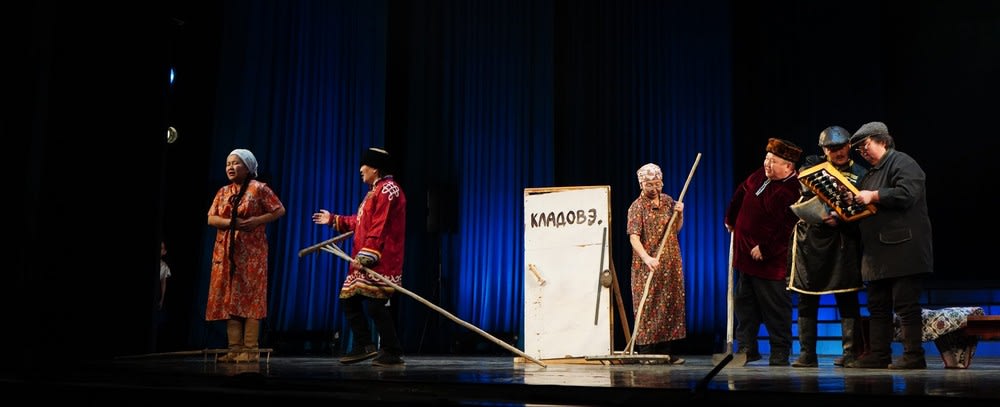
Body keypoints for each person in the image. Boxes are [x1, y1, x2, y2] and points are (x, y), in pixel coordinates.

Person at [846, 121, 933, 369]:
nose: (862, 152)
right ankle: (879, 354)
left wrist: (873, 195)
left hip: (904, 248)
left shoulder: (902, 162)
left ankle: (914, 356)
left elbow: (907, 193)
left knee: (905, 305)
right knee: (877, 307)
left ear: (883, 141)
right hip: (877, 252)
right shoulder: (870, 174)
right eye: (858, 149)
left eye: (865, 145)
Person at [312, 147, 407, 367]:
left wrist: (367, 256)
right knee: (349, 300)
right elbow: (360, 222)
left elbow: (380, 225)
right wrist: (333, 219)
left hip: (381, 258)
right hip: (365, 257)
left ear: (375, 168)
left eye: (364, 165)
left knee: (374, 306)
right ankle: (364, 345)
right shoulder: (374, 192)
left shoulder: (389, 189)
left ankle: (392, 351)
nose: (361, 170)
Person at [787, 126, 866, 368]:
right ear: (824, 150)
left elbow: (864, 209)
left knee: (847, 297)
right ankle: (807, 354)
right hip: (811, 242)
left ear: (849, 146)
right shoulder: (814, 166)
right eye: (832, 149)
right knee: (806, 299)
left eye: (841, 147)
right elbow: (804, 188)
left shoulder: (861, 173)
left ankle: (851, 353)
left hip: (842, 241)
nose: (838, 152)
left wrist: (841, 217)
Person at [724, 138, 802, 366]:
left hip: (770, 262)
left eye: (773, 161)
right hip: (745, 256)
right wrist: (731, 218)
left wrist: (766, 249)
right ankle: (747, 348)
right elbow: (741, 191)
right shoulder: (761, 175)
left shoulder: (793, 189)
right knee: (744, 306)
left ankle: (780, 351)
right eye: (766, 159)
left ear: (788, 166)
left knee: (775, 309)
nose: (767, 164)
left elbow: (787, 227)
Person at [206, 148, 286, 363]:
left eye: (235, 163)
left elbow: (279, 210)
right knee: (230, 298)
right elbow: (211, 218)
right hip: (226, 253)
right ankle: (234, 349)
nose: (230, 167)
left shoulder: (258, 188)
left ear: (248, 166)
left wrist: (257, 221)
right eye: (228, 164)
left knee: (251, 299)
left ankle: (250, 350)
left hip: (252, 255)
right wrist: (230, 223)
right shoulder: (223, 192)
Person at [626, 163, 686, 365]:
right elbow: (633, 237)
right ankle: (647, 352)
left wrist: (680, 213)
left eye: (657, 183)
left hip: (670, 262)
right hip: (647, 263)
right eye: (649, 184)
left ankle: (665, 352)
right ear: (641, 184)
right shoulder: (637, 207)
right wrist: (647, 258)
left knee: (669, 304)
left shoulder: (668, 201)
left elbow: (676, 229)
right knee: (648, 305)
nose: (654, 188)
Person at [159, 241, 172, 311]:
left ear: (164, 252)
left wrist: (162, 299)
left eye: (161, 248)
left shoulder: (164, 266)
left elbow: (163, 283)